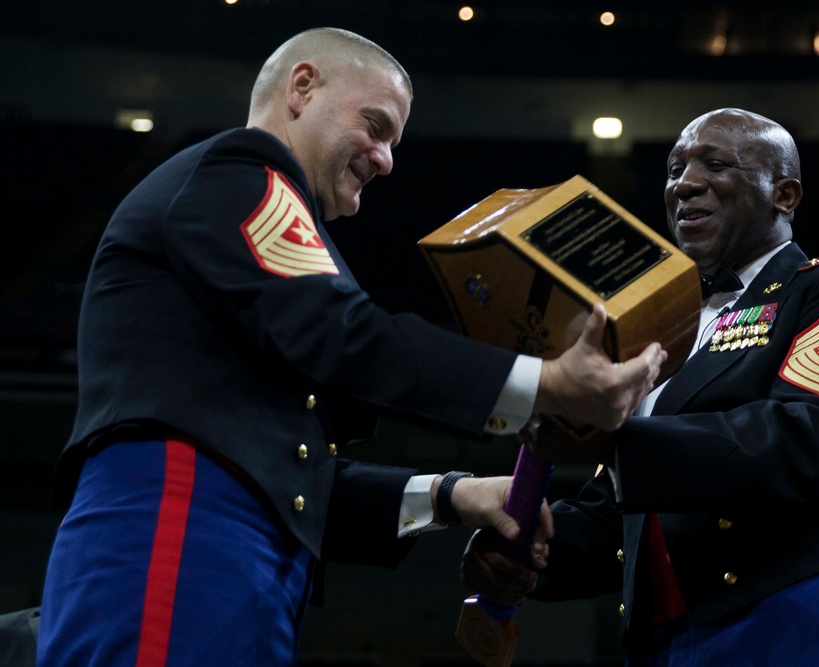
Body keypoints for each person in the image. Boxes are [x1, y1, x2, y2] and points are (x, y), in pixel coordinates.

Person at [36, 27, 666, 667]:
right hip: (178, 537)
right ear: (302, 88)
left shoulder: (263, 216)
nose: (387, 158)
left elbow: (294, 478)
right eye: (375, 125)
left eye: (393, 141)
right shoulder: (244, 172)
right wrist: (548, 383)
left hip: (230, 562)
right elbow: (348, 335)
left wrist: (453, 495)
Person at [461, 108, 819, 665]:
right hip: (663, 641)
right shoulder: (658, 326)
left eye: (715, 164)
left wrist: (610, 444)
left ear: (785, 195)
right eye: (675, 168)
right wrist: (526, 547)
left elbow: (811, 437)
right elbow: (626, 506)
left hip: (795, 615)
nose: (685, 183)